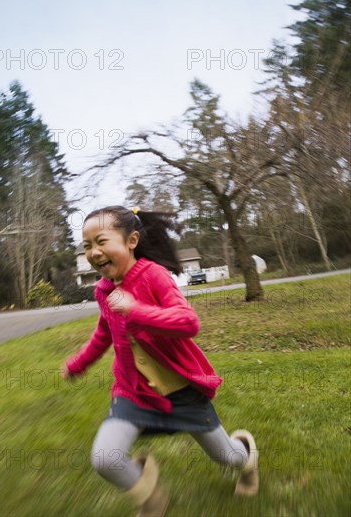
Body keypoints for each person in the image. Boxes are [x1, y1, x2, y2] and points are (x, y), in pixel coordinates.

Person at [62, 206, 259, 517]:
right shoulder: (103, 290)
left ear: (132, 240)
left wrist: (135, 309)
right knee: (105, 458)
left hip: (183, 392)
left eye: (101, 241)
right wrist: (79, 363)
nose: (94, 252)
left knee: (225, 457)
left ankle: (246, 458)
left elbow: (187, 322)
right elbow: (105, 332)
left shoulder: (153, 275)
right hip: (134, 392)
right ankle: (152, 497)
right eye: (87, 246)